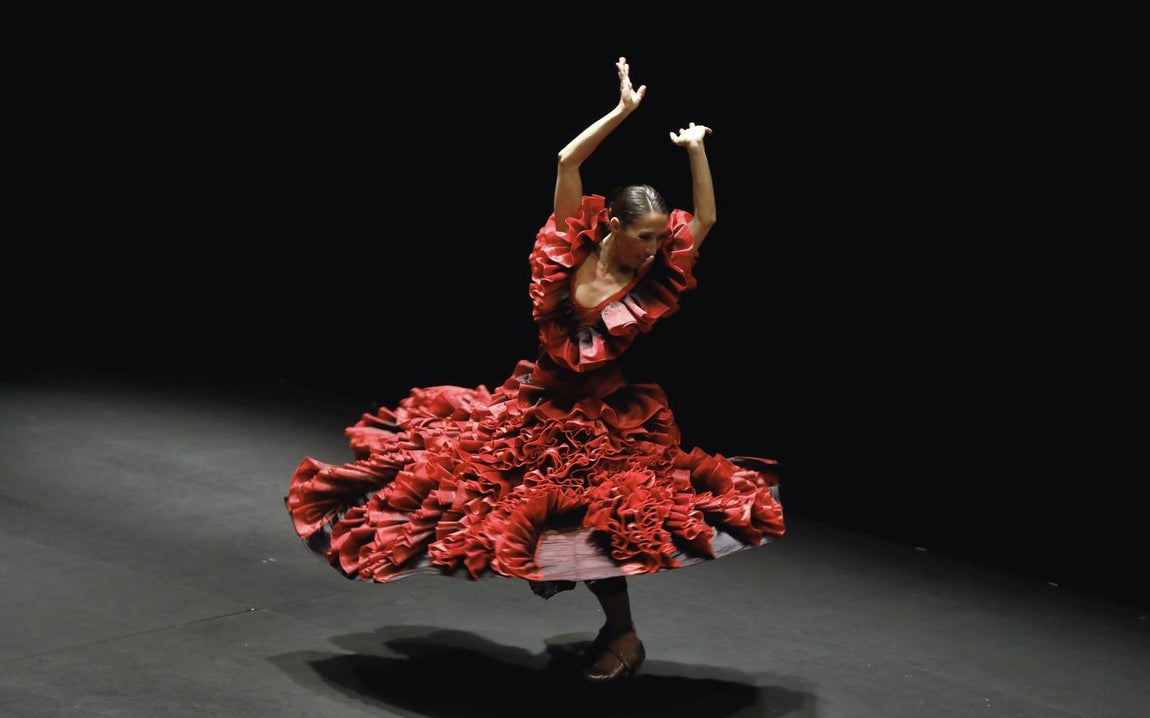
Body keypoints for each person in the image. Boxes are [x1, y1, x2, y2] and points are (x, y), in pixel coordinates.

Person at [285, 56, 785, 682]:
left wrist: (694, 150)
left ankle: (624, 636)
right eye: (646, 237)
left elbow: (705, 220)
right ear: (613, 225)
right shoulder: (567, 245)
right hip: (537, 403)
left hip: (600, 416)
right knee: (465, 497)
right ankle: (608, 625)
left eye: (661, 238)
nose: (656, 248)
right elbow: (566, 162)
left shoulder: (652, 277)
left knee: (596, 521)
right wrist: (622, 113)